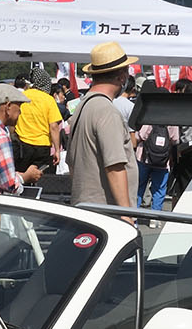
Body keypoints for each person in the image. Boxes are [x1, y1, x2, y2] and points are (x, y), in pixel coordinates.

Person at [66, 42, 135, 208]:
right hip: (106, 210)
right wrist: (126, 213)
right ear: (122, 76)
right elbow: (115, 165)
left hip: (87, 205)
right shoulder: (106, 111)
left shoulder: (83, 105)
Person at [0, 83, 42, 195]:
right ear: (8, 107)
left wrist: (16, 175)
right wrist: (26, 176)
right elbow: (10, 185)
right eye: (19, 107)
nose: (20, 112)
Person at [133, 79, 180, 211]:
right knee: (159, 189)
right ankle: (155, 218)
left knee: (140, 186)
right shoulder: (172, 117)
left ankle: (134, 216)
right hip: (163, 160)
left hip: (144, 157)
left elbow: (140, 136)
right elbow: (175, 139)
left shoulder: (150, 113)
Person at [11, 68, 63, 176]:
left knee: (22, 177)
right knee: (40, 179)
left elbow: (12, 120)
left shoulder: (22, 96)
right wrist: (57, 150)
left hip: (22, 144)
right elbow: (54, 126)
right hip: (42, 147)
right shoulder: (49, 100)